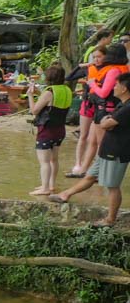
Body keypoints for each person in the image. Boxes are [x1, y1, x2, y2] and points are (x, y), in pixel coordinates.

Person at [50, 72, 130, 226]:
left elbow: (105, 124)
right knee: (90, 176)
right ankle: (65, 194)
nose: (114, 87)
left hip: (116, 152)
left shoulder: (127, 108)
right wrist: (106, 119)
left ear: (124, 88)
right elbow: (107, 121)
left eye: (116, 84)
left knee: (112, 186)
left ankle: (110, 219)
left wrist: (105, 119)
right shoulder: (122, 105)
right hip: (107, 150)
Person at [75, 44, 129, 177]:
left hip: (105, 109)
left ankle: (98, 173)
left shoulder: (113, 70)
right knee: (92, 140)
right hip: (108, 108)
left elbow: (104, 93)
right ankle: (84, 171)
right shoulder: (124, 69)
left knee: (101, 143)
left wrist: (92, 83)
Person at [28, 65, 72, 196]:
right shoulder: (67, 90)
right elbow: (51, 102)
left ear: (49, 77)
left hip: (46, 130)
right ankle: (51, 184)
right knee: (54, 159)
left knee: (44, 161)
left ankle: (45, 188)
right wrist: (38, 93)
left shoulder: (49, 91)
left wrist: (30, 95)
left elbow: (34, 111)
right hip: (60, 129)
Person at [68, 46, 106, 177]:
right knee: (83, 135)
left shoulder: (110, 70)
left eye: (99, 56)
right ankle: (78, 164)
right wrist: (82, 65)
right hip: (87, 103)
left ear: (106, 57)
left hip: (100, 105)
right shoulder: (89, 68)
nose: (96, 59)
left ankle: (95, 166)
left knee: (95, 139)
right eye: (94, 57)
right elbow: (70, 77)